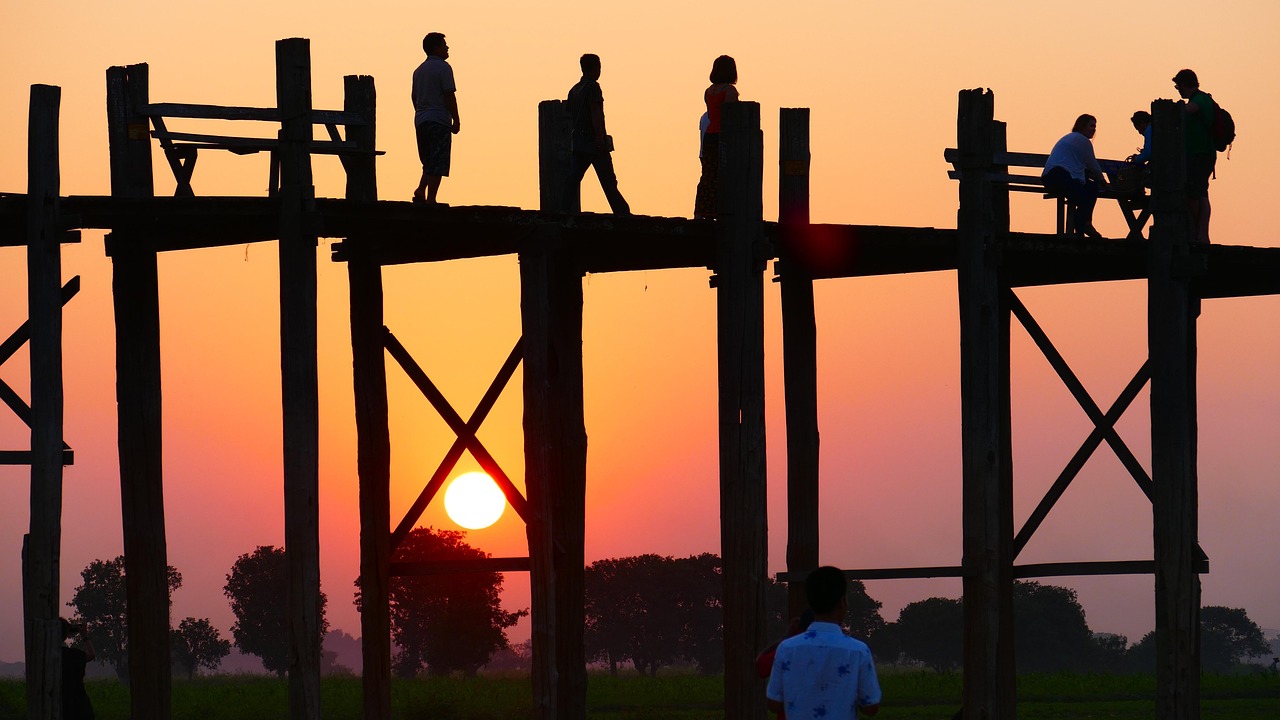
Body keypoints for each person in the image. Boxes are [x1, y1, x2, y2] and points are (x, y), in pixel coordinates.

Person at [767, 567, 881, 718]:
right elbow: (870, 707)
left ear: (811, 603)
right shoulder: (858, 651)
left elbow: (774, 703)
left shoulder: (787, 648)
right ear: (842, 602)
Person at [564, 54, 630, 215]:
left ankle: (562, 209)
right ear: (595, 68)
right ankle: (622, 213)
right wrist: (600, 136)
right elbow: (596, 113)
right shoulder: (593, 88)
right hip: (593, 142)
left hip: (579, 142)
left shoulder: (574, 90)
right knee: (608, 180)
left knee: (573, 178)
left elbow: (569, 114)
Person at [411, 32, 460, 205]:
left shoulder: (418, 71)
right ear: (435, 48)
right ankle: (431, 199)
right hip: (439, 119)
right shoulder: (444, 68)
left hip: (421, 119)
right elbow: (449, 96)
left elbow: (414, 97)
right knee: (437, 160)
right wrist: (456, 120)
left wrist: (421, 113)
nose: (447, 48)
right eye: (443, 44)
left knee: (429, 160)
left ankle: (420, 190)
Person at [1042, 114, 1108, 239]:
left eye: (1095, 126)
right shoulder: (1082, 140)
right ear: (1082, 126)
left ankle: (1082, 225)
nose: (1094, 129)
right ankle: (1082, 224)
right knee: (1087, 193)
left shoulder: (1071, 138)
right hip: (1059, 176)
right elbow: (1092, 163)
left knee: (1090, 189)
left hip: (1053, 177)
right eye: (1091, 126)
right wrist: (1102, 180)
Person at [693, 55, 739, 219]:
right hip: (723, 136)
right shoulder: (729, 91)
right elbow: (731, 114)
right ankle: (722, 209)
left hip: (709, 136)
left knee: (708, 173)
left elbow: (712, 113)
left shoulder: (709, 91)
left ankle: (703, 209)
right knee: (725, 173)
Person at [1173, 68, 1215, 243]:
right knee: (1201, 194)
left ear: (1184, 84)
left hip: (1200, 154)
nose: (1177, 89)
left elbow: (1190, 109)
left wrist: (1172, 110)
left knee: (1193, 194)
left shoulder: (1200, 99)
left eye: (1177, 86)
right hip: (1201, 154)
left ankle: (1198, 231)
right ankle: (1201, 234)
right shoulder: (1200, 98)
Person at [60, 618, 96, 720]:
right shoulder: (73, 655)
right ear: (66, 634)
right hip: (79, 706)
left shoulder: (48, 656)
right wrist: (84, 636)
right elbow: (91, 654)